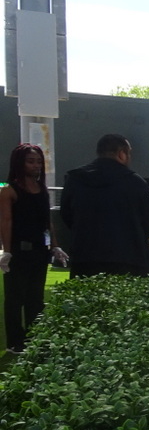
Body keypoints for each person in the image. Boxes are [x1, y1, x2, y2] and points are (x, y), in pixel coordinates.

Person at [60, 133, 149, 278]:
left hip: (85, 256)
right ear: (121, 154)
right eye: (129, 153)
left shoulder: (75, 179)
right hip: (127, 257)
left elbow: (67, 215)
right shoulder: (134, 182)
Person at [0, 144, 66, 353]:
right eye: (31, 161)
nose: (36, 165)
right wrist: (6, 251)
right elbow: (6, 221)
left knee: (35, 298)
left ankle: (34, 338)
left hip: (40, 251)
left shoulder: (42, 190)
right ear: (20, 162)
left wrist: (55, 246)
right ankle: (14, 342)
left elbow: (48, 222)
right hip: (19, 251)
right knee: (15, 298)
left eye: (38, 161)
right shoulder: (9, 190)